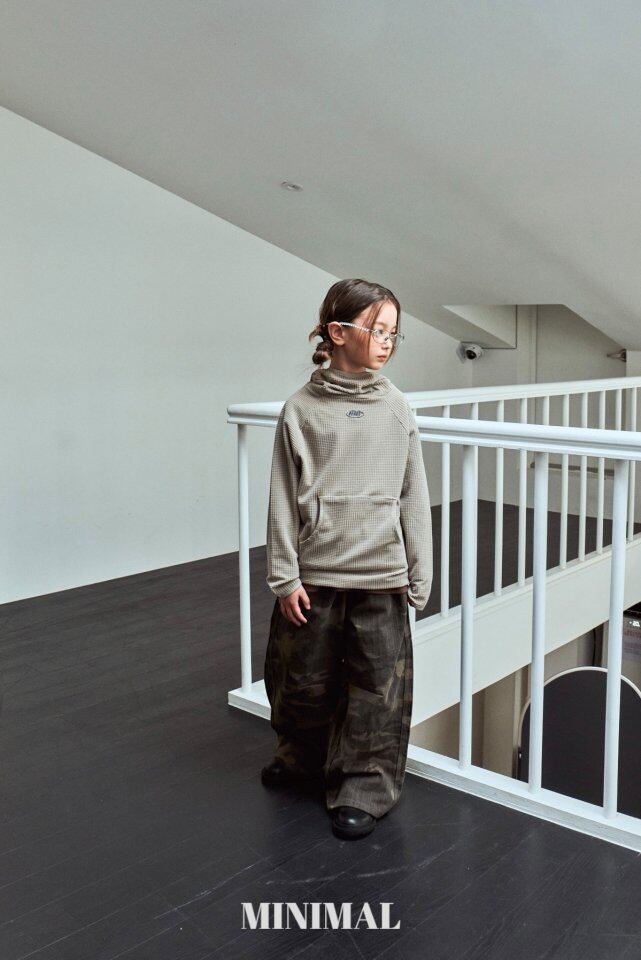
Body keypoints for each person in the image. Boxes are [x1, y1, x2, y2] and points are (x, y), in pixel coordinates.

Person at [261, 277, 433, 840]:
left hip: (383, 577)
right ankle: (301, 759)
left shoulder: (397, 408)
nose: (387, 342)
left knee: (376, 692)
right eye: (376, 330)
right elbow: (282, 496)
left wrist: (420, 573)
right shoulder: (300, 410)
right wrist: (284, 577)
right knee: (300, 681)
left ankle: (364, 786)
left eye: (393, 333)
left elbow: (413, 495)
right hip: (314, 575)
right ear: (337, 333)